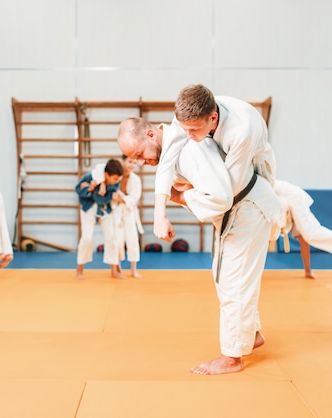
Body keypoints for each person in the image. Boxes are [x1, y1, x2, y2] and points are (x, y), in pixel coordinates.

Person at [118, 84, 280, 375]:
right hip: (243, 205)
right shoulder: (184, 126)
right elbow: (165, 165)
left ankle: (232, 357)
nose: (140, 162)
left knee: (234, 281)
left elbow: (221, 196)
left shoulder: (225, 134)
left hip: (248, 204)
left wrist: (180, 196)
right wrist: (161, 210)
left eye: (140, 154)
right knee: (224, 277)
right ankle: (250, 335)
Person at [273, 179, 332, 279]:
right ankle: (308, 271)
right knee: (303, 237)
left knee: (310, 233)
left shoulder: (262, 182)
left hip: (292, 198)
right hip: (287, 201)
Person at [75, 159, 125, 280]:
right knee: (86, 238)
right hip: (89, 209)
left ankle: (114, 270)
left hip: (104, 209)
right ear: (106, 174)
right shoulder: (92, 176)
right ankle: (79, 269)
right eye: (114, 179)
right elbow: (78, 189)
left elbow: (104, 199)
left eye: (118, 179)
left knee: (112, 238)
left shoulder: (116, 181)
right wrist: (91, 188)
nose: (116, 181)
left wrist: (97, 190)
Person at [111, 155, 145, 278]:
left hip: (129, 212)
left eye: (135, 163)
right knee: (117, 241)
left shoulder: (135, 179)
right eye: (130, 161)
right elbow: (111, 195)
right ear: (122, 161)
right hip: (116, 212)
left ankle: (133, 270)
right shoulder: (115, 176)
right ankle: (117, 269)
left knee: (133, 240)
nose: (132, 165)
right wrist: (117, 199)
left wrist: (120, 199)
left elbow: (134, 197)